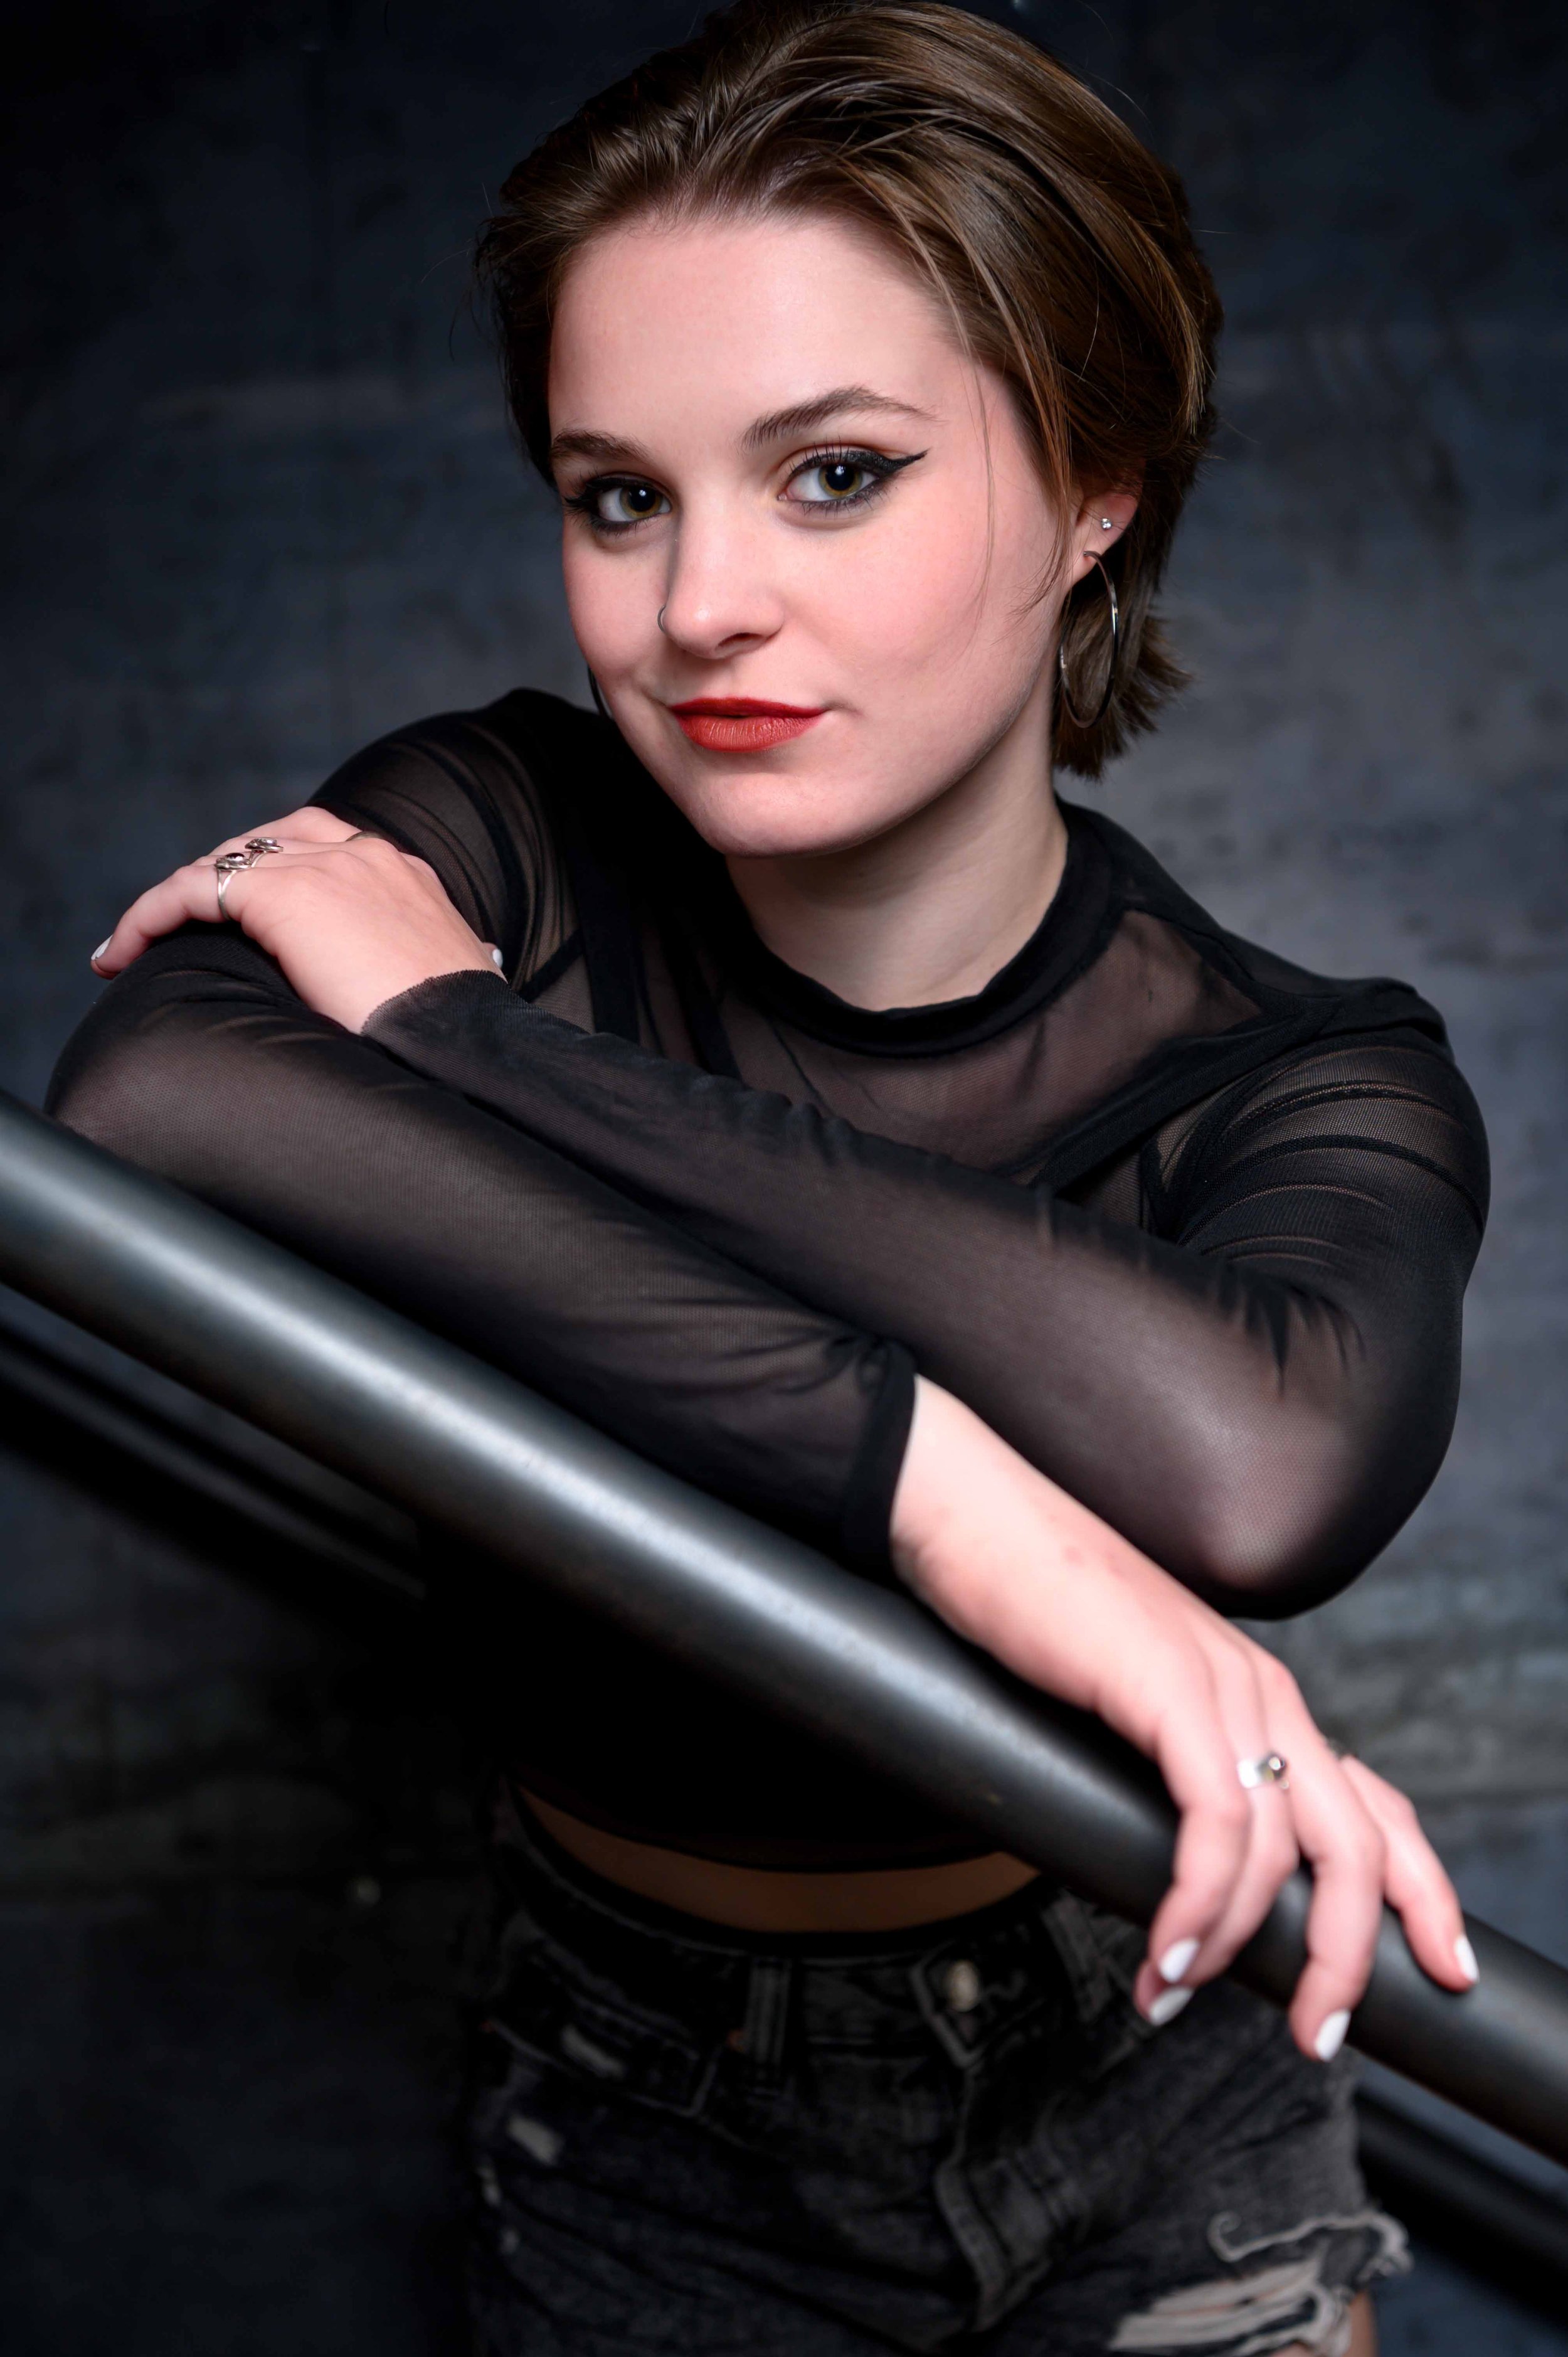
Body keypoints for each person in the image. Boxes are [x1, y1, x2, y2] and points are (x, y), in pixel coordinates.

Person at [55, 4, 1489, 2349]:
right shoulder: (501, 823)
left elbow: (1254, 1478)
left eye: (830, 475)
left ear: (1099, 478)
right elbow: (155, 1104)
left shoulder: (1298, 1079)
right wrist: (959, 1496)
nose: (696, 601)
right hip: (640, 2112)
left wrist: (450, 1044)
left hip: (1158, 2076)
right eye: (618, 494)